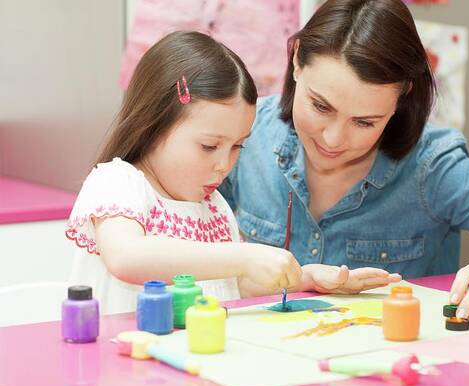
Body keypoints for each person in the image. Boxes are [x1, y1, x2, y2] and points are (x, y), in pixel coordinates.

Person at [219, 0, 469, 319]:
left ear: (401, 97)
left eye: (365, 121)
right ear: (297, 60)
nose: (334, 138)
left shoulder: (432, 167)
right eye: (320, 106)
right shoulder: (244, 135)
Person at [65, 31, 399, 314]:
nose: (224, 164)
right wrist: (244, 255)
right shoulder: (118, 182)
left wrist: (306, 278)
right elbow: (128, 257)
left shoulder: (213, 207)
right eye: (209, 146)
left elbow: (230, 283)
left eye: (238, 146)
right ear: (153, 126)